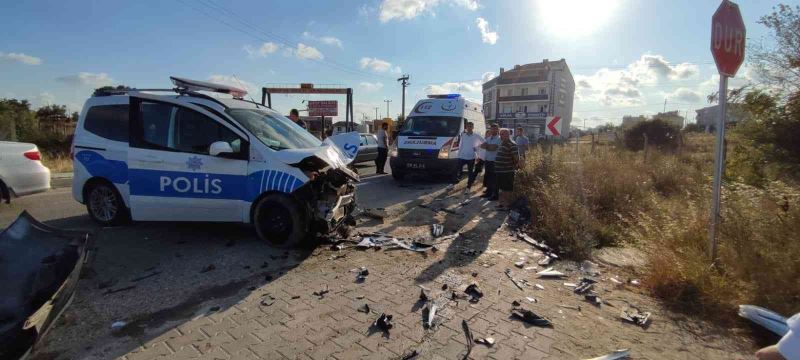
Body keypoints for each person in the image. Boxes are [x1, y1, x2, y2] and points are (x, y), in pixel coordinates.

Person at [456, 122, 484, 193]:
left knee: (470, 173)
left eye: (471, 126)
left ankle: (468, 187)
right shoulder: (463, 135)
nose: (469, 128)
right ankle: (454, 182)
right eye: (468, 126)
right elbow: (460, 145)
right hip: (462, 156)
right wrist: (459, 154)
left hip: (471, 157)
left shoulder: (476, 135)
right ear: (466, 127)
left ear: (473, 127)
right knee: (457, 170)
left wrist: (477, 147)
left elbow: (484, 142)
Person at [495, 129, 519, 209]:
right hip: (499, 170)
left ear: (508, 135)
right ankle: (501, 203)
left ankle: (507, 205)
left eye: (502, 134)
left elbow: (516, 158)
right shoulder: (502, 143)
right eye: (500, 134)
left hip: (507, 171)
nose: (500, 136)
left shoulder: (512, 144)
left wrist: (514, 166)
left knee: (507, 188)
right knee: (501, 188)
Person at [480, 124, 501, 200]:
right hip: (488, 160)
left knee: (494, 179)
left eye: (495, 129)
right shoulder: (489, 138)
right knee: (488, 177)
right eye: (492, 129)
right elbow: (482, 146)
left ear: (498, 130)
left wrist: (487, 146)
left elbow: (493, 148)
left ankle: (495, 195)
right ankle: (489, 193)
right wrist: (489, 146)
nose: (493, 130)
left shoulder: (499, 139)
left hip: (495, 161)